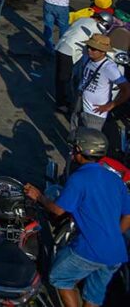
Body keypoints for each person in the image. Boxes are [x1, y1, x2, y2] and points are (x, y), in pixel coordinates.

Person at [24, 128, 130, 307]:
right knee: (94, 295)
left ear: (81, 151)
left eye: (74, 149)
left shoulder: (79, 178)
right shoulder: (115, 179)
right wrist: (113, 235)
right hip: (116, 252)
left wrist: (39, 196)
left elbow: (58, 210)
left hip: (89, 249)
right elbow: (128, 214)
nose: (73, 152)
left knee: (59, 277)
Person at [54, 11, 114, 114]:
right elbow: (100, 44)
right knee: (64, 79)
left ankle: (63, 100)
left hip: (60, 46)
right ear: (103, 22)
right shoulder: (97, 29)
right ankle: (61, 104)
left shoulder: (83, 19)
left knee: (61, 77)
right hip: (69, 51)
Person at [75, 34, 129, 134]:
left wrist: (110, 105)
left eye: (94, 49)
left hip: (95, 113)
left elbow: (126, 89)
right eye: (89, 47)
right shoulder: (87, 58)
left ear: (103, 52)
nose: (90, 50)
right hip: (80, 102)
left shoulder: (109, 68)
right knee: (76, 132)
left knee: (90, 141)